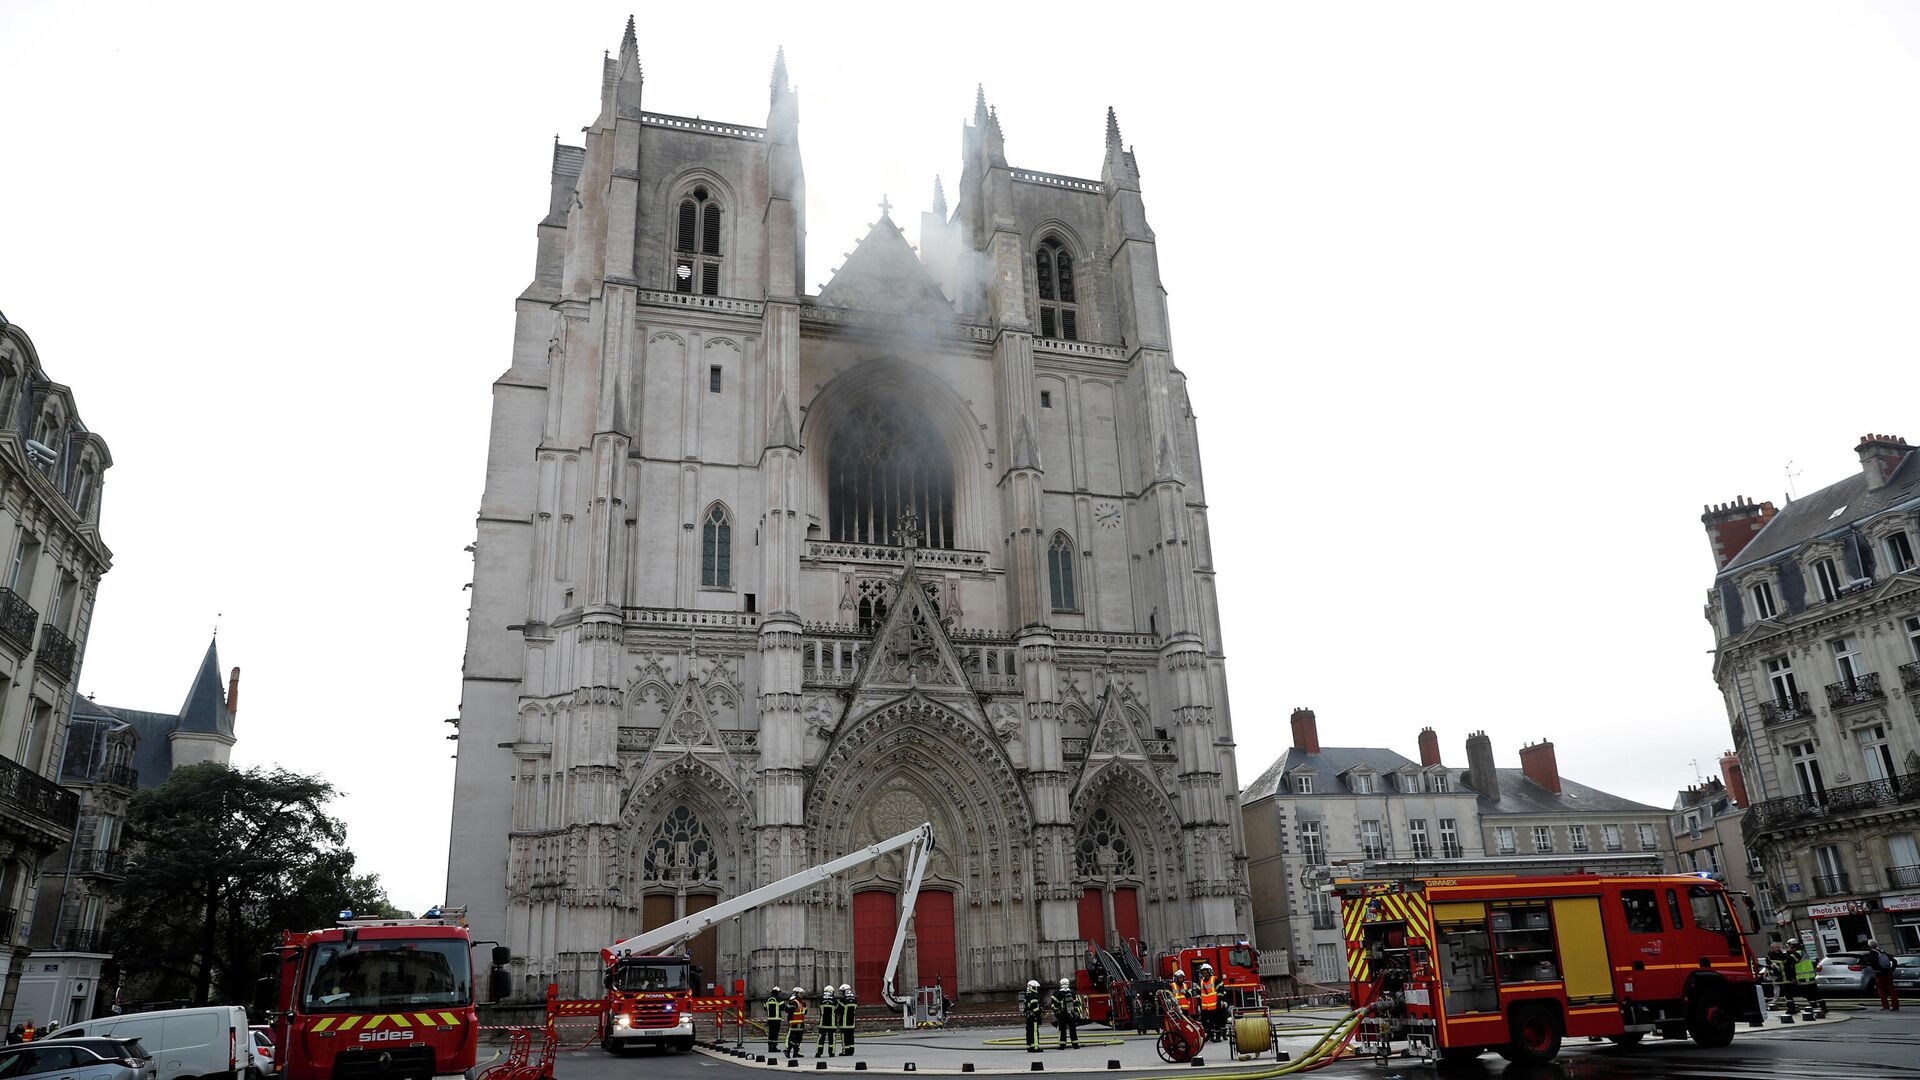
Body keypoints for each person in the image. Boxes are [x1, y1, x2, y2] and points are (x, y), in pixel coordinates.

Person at [1788, 943, 1826, 1018]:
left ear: (1795, 948)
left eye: (1791, 948)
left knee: (1808, 995)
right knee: (1816, 994)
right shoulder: (1804, 953)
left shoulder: (1797, 953)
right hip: (1811, 977)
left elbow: (1789, 960)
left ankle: (1814, 1007)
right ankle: (1823, 1008)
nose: (1790, 949)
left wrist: (1788, 952)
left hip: (1804, 978)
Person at [1867, 940, 1901, 1011]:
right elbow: (1894, 961)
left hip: (1880, 974)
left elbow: (1872, 963)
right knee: (1892, 990)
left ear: (1870, 946)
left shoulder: (1872, 953)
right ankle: (1895, 1006)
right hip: (1888, 973)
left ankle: (1885, 1006)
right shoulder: (1882, 952)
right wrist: (1892, 969)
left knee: (1881, 990)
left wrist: (1876, 969)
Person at [1051, 977, 1082, 1050]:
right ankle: (1075, 1045)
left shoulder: (1056, 993)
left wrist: (1057, 1014)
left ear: (1060, 984)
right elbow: (1078, 1004)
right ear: (1068, 984)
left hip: (1061, 1015)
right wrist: (1076, 1013)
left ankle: (1062, 1045)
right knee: (1073, 1029)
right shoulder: (1073, 993)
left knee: (1062, 1029)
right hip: (1071, 1014)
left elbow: (1054, 1005)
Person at [1196, 963, 1225, 1040]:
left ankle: (1218, 1036)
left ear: (1209, 971)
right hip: (1205, 1007)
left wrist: (1220, 1002)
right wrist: (1199, 1005)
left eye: (1205, 971)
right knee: (1206, 1022)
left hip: (1215, 1005)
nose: (1204, 973)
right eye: (1203, 972)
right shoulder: (1200, 982)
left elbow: (1221, 992)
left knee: (1217, 1021)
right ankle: (1210, 1035)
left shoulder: (1216, 980)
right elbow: (1199, 995)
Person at [782, 988, 809, 1060]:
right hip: (794, 1022)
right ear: (797, 994)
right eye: (801, 994)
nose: (802, 995)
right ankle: (788, 1051)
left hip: (800, 1023)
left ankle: (795, 1053)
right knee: (792, 1038)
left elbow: (805, 1012)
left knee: (798, 1039)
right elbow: (789, 1012)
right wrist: (789, 1021)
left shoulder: (800, 1002)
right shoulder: (795, 1002)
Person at [1021, 979, 1045, 1053]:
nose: (1036, 989)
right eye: (1036, 987)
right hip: (1034, 1017)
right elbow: (1035, 1008)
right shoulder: (1034, 996)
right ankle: (1035, 1047)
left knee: (1029, 1032)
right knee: (1035, 1032)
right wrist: (1040, 1013)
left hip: (1028, 1017)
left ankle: (1029, 1047)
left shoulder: (1026, 996)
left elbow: (1025, 1008)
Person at [838, 985, 858, 1055]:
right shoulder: (854, 1000)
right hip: (852, 1022)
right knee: (851, 1037)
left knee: (844, 1037)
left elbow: (838, 1010)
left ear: (845, 991)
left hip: (844, 1023)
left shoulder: (843, 1000)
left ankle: (845, 1051)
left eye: (842, 991)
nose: (842, 993)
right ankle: (851, 1050)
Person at [764, 985, 784, 1053]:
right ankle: (774, 1047)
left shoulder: (768, 999)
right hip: (777, 1019)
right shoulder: (779, 998)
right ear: (778, 992)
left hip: (770, 1019)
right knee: (775, 1033)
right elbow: (783, 1007)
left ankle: (770, 1047)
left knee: (770, 1033)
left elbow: (765, 1008)